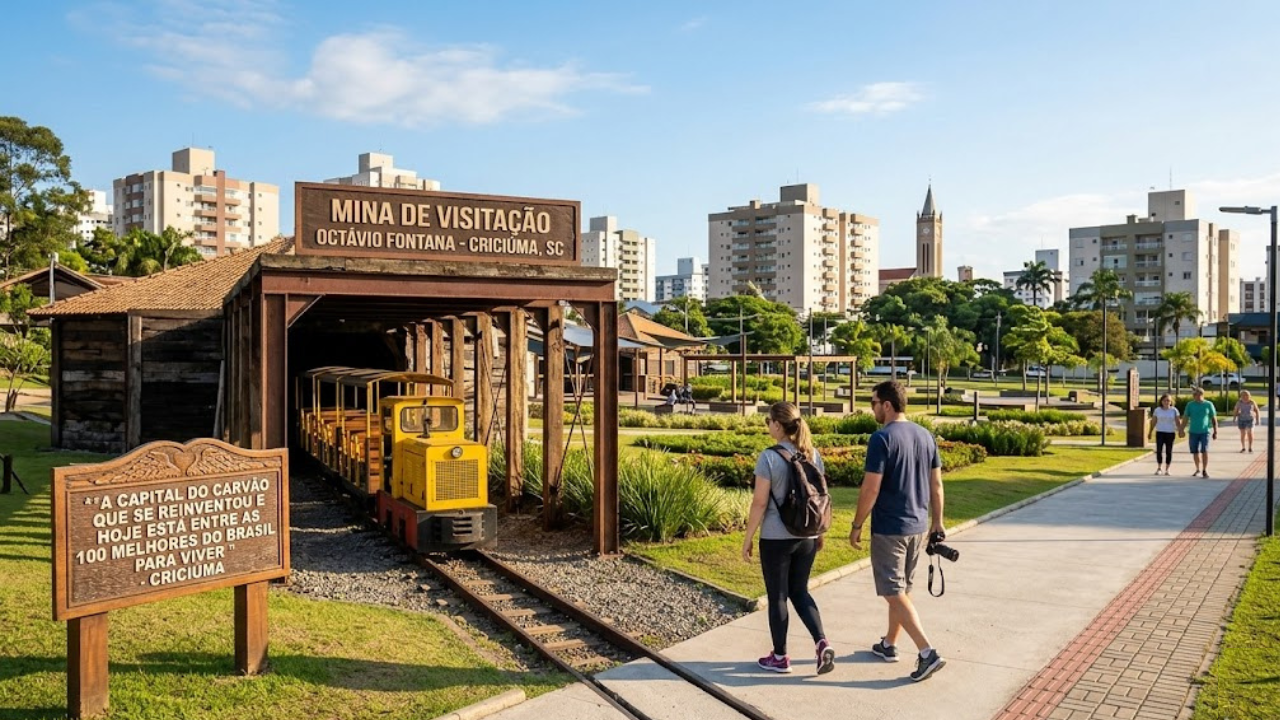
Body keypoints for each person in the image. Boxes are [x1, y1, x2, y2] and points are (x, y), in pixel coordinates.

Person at [850, 380, 947, 682]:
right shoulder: (925, 435)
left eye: (873, 402)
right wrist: (938, 522)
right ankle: (889, 644)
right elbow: (937, 485)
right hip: (917, 526)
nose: (872, 408)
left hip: (891, 528)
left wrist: (856, 524)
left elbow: (871, 487)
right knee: (902, 591)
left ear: (887, 405)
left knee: (893, 592)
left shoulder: (882, 439)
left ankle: (927, 652)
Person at [742, 401, 836, 675]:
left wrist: (748, 537)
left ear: (778, 425)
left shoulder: (768, 457)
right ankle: (821, 642)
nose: (767, 425)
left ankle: (780, 657)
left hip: (775, 538)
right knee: (800, 591)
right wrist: (818, 532)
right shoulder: (812, 454)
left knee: (779, 596)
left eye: (769, 421)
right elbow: (817, 496)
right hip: (806, 535)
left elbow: (759, 503)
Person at [1181, 387, 1219, 477]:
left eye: (1199, 395)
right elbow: (1185, 418)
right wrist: (1181, 429)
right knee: (1195, 451)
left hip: (1205, 431)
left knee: (1204, 450)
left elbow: (1214, 418)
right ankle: (1197, 468)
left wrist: (1215, 431)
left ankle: (1204, 470)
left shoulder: (1208, 404)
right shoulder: (1190, 405)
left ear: (1202, 395)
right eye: (1195, 395)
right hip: (1193, 431)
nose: (1197, 397)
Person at [1148, 394, 1181, 475]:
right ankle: (1159, 468)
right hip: (1160, 432)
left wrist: (1180, 431)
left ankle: (1167, 469)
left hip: (1170, 432)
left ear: (1171, 402)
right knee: (1159, 450)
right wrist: (1150, 431)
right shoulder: (1157, 410)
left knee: (1168, 451)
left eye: (1168, 400)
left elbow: (1178, 422)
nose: (1166, 402)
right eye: (1165, 400)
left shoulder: (1174, 410)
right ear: (1161, 401)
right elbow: (1153, 421)